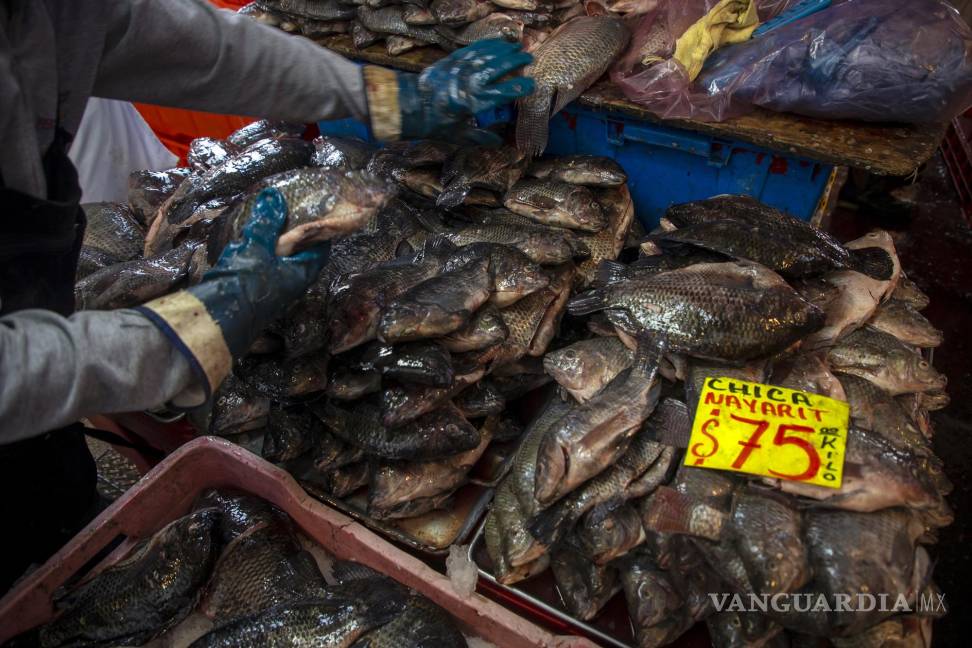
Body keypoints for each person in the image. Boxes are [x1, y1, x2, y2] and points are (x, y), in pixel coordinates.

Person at [0, 0, 534, 590]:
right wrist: (185, 335)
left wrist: (380, 96)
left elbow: (196, 47)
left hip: (29, 312)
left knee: (60, 536)